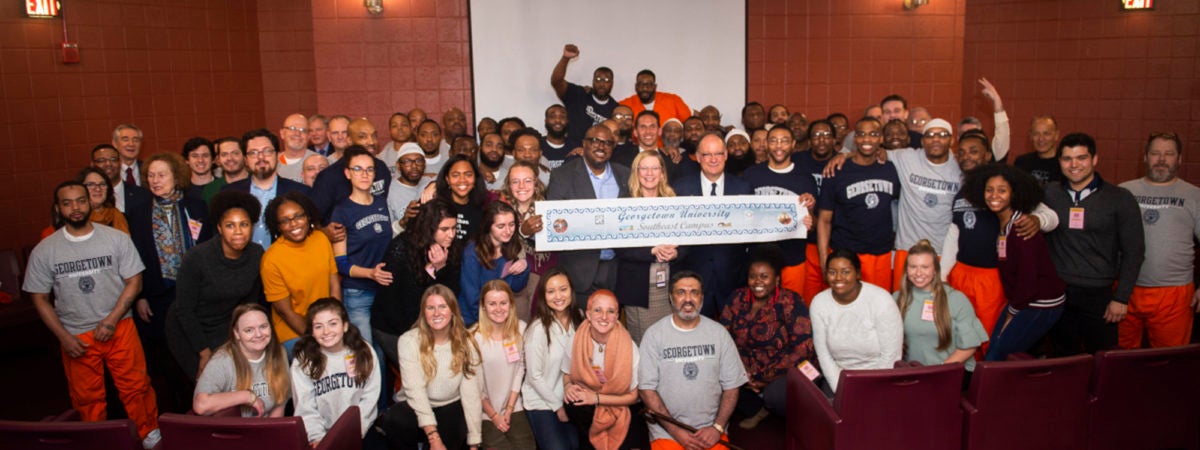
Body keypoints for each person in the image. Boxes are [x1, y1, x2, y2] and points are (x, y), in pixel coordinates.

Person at [24, 180, 161, 448]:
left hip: (119, 325)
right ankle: (96, 438)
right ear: (58, 208)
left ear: (90, 203)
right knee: (87, 398)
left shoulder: (116, 238)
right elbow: (39, 299)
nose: (75, 208)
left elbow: (135, 281)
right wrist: (63, 337)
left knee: (137, 387)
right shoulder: (45, 249)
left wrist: (111, 320)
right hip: (75, 333)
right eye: (68, 203)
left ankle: (149, 434)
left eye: (80, 201)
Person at [1043, 133, 1144, 355]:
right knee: (1062, 357)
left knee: (1102, 359)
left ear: (1094, 159)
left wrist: (1121, 298)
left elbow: (1134, 251)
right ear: (1059, 162)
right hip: (1059, 293)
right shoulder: (1049, 193)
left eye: (1081, 158)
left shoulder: (1120, 198)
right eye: (1067, 158)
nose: (1074, 165)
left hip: (1100, 296)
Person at [127, 152, 211, 413]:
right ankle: (178, 414)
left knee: (200, 354)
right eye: (150, 175)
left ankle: (205, 408)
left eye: (161, 175)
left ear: (176, 177)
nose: (155, 180)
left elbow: (208, 249)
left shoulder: (196, 207)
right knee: (167, 361)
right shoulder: (138, 213)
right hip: (158, 296)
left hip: (196, 294)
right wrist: (140, 295)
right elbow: (136, 256)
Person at [965, 164, 1067, 361]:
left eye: (1002, 190)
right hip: (1022, 302)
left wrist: (1012, 315)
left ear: (1014, 194)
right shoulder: (1005, 224)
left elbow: (1028, 281)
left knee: (997, 357)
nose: (994, 195)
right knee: (994, 351)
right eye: (989, 190)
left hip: (1041, 304)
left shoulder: (1022, 228)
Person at [639, 271, 747, 450]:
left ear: (702, 297)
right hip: (667, 432)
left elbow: (732, 387)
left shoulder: (719, 333)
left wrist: (717, 428)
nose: (688, 299)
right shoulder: (654, 335)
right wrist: (677, 432)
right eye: (681, 292)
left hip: (711, 431)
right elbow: (646, 390)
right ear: (671, 297)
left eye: (694, 292)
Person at [165, 191, 265, 378]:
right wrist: (204, 352)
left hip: (225, 327)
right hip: (189, 329)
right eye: (230, 225)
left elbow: (248, 306)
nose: (238, 232)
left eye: (243, 224)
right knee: (207, 385)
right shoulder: (197, 257)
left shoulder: (256, 254)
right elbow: (184, 310)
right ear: (219, 228)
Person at [1119, 133, 1200, 348]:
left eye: (1169, 154)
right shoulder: (1124, 191)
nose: (1161, 159)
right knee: (1119, 359)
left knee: (1169, 361)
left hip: (1174, 292)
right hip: (1125, 290)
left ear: (1179, 159)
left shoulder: (1194, 196)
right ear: (1145, 157)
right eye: (1155, 153)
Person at [380, 285, 483, 450]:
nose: (437, 313)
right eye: (431, 308)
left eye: (443, 306)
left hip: (451, 405)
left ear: (453, 311)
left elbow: (471, 395)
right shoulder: (409, 341)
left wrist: (475, 442)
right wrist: (433, 437)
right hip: (415, 405)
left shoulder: (467, 343)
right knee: (394, 419)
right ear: (423, 312)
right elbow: (415, 391)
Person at [720, 245, 813, 429]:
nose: (757, 281)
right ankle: (757, 408)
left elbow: (803, 349)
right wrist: (742, 373)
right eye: (753, 276)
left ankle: (770, 404)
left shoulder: (790, 301)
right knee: (715, 376)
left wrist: (764, 377)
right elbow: (723, 338)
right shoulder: (737, 298)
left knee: (777, 396)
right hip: (744, 371)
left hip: (782, 371)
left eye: (764, 276)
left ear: (776, 279)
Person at [373, 200, 463, 368]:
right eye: (444, 229)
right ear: (429, 227)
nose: (451, 235)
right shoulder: (401, 249)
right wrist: (419, 338)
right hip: (393, 329)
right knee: (422, 370)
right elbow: (396, 304)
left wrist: (441, 269)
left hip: (430, 325)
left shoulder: (451, 248)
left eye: (453, 228)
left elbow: (451, 295)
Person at [547, 125, 631, 304]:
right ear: (584, 144)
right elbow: (555, 224)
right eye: (595, 141)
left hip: (618, 268)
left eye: (608, 143)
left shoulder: (625, 175)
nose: (601, 147)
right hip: (580, 270)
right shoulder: (562, 175)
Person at [671, 134, 753, 317]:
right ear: (698, 157)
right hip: (693, 279)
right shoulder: (680, 188)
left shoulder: (743, 188)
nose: (714, 159)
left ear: (726, 155)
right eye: (707, 154)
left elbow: (755, 228)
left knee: (733, 336)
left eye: (718, 154)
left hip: (732, 276)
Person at [816, 117, 901, 291]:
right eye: (861, 134)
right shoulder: (836, 171)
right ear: (855, 139)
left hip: (881, 255)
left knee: (877, 309)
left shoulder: (891, 169)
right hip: (846, 253)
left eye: (873, 134)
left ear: (881, 139)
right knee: (845, 308)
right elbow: (824, 221)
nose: (867, 139)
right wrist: (825, 261)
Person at [616, 150, 687, 342]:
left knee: (671, 341)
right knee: (645, 343)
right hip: (640, 288)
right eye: (644, 168)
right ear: (636, 172)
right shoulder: (625, 204)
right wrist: (652, 251)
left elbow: (689, 241)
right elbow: (620, 247)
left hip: (670, 287)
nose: (649, 173)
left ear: (662, 173)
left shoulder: (674, 202)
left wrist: (676, 254)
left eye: (654, 168)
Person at [810, 250, 903, 393]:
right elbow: (824, 355)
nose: (838, 278)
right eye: (832, 272)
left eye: (846, 272)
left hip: (880, 378)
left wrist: (873, 389)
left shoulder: (881, 300)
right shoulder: (819, 303)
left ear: (858, 274)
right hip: (839, 378)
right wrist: (841, 390)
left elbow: (891, 355)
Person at [290, 298, 380, 446]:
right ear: (312, 331)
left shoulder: (364, 351)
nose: (326, 332)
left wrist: (355, 432)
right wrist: (318, 438)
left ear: (345, 326)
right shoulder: (303, 361)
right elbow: (305, 407)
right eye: (318, 326)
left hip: (359, 430)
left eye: (333, 324)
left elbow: (370, 396)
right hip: (321, 436)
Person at [894, 240, 988, 379]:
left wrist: (939, 371)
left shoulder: (956, 299)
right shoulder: (897, 298)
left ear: (935, 270)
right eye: (913, 267)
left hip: (950, 371)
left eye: (925, 267)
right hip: (912, 373)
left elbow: (969, 346)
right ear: (906, 270)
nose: (918, 273)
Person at [261, 191, 341, 355]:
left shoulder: (321, 239)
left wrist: (337, 323)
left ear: (308, 217)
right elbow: (286, 312)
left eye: (299, 216)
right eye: (285, 221)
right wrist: (317, 337)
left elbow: (334, 283)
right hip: (296, 332)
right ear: (278, 226)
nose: (294, 224)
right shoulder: (271, 260)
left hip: (329, 324)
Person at [562, 290, 642, 450]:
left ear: (617, 316)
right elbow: (566, 374)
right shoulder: (576, 339)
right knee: (574, 403)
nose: (604, 317)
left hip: (619, 403)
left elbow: (634, 396)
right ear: (588, 314)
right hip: (585, 407)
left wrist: (597, 398)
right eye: (598, 310)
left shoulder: (630, 348)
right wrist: (567, 386)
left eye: (610, 311)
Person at [331, 146, 394, 347]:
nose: (364, 174)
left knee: (385, 351)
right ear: (347, 173)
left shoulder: (383, 203)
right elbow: (340, 263)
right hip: (358, 294)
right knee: (366, 352)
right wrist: (370, 273)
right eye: (358, 169)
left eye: (369, 169)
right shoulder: (341, 211)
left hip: (385, 290)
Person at [745, 125, 818, 297]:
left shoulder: (805, 179)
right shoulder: (750, 175)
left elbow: (812, 224)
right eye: (774, 141)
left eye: (784, 141)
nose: (779, 146)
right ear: (767, 144)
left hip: (793, 257)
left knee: (790, 308)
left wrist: (810, 217)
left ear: (793, 144)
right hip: (759, 259)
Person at [522, 267, 584, 450]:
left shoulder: (579, 319)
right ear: (543, 295)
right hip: (541, 402)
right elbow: (534, 377)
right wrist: (558, 407)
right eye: (551, 291)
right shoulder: (538, 329)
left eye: (563, 289)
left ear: (571, 291)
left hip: (570, 399)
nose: (558, 296)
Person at [192, 304, 290, 417]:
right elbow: (201, 405)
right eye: (249, 330)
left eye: (263, 327)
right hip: (233, 431)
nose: (258, 334)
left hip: (266, 430)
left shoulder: (279, 352)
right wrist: (247, 396)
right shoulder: (222, 360)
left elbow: (280, 403)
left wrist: (271, 432)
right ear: (237, 333)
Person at [471, 281, 537, 449]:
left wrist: (509, 408)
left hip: (514, 406)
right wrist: (494, 415)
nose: (498, 308)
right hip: (484, 412)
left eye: (503, 303)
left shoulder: (521, 329)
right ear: (483, 306)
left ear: (511, 304)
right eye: (492, 303)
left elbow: (520, 370)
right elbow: (473, 385)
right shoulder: (473, 338)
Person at [222, 128, 312, 251]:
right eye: (253, 153)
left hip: (285, 265)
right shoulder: (228, 194)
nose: (261, 157)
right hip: (242, 266)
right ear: (245, 159)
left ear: (277, 155)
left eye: (267, 151)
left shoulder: (300, 193)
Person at [460, 201, 530, 327]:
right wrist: (490, 324)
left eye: (512, 224)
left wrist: (524, 267)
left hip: (501, 316)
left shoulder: (511, 247)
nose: (508, 231)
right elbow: (472, 297)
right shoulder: (472, 253)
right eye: (501, 226)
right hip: (473, 319)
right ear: (488, 227)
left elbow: (516, 287)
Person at [499, 161, 551, 321]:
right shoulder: (500, 209)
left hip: (545, 274)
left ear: (536, 183)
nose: (521, 186)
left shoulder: (549, 209)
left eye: (527, 180)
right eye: (515, 181)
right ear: (509, 185)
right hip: (512, 277)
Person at [551, 44, 617, 142]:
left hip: (598, 154)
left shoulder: (615, 108)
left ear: (612, 83)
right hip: (573, 153)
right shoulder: (578, 94)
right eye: (598, 79)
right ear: (593, 81)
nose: (602, 84)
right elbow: (557, 81)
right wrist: (565, 58)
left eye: (607, 80)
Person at [437, 154, 490, 244]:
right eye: (456, 175)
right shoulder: (435, 207)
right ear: (447, 179)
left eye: (468, 175)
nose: (462, 180)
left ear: (475, 178)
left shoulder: (482, 209)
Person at [78, 167, 130, 234]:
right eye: (91, 184)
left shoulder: (117, 215)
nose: (98, 189)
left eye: (102, 184)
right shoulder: (77, 217)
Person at [182, 137, 216, 201]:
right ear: (187, 160)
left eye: (205, 155)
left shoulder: (224, 186)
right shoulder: (181, 192)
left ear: (213, 159)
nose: (200, 160)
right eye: (195, 156)